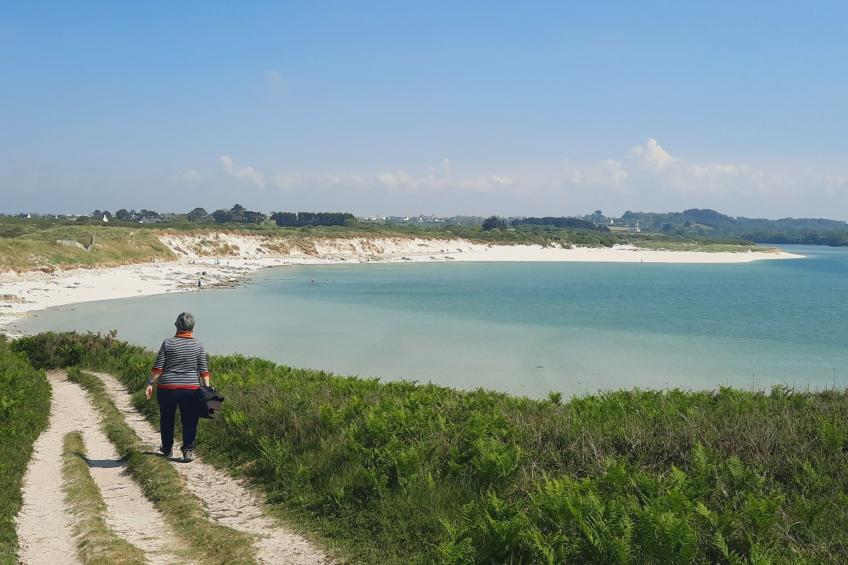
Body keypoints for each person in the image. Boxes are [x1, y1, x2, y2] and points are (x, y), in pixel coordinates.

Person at [145, 312, 210, 462]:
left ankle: (167, 449)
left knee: (167, 418)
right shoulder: (198, 345)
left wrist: (150, 383)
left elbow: (158, 369)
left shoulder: (167, 343)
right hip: (191, 389)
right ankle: (187, 450)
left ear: (176, 325)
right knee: (190, 419)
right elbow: (204, 371)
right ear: (193, 327)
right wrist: (207, 390)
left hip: (167, 388)